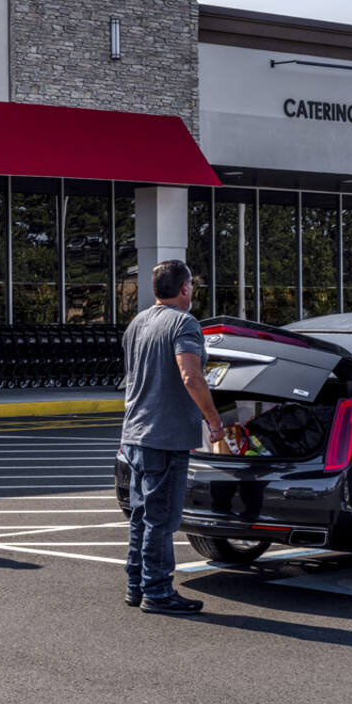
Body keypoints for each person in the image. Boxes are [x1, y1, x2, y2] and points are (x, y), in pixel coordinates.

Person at [120, 259, 225, 615]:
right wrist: (214, 421)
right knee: (161, 520)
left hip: (135, 433)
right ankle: (158, 592)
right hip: (164, 438)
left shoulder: (138, 323)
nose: (192, 292)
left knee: (141, 516)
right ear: (185, 288)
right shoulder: (184, 323)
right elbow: (190, 377)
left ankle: (136, 586)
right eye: (192, 286)